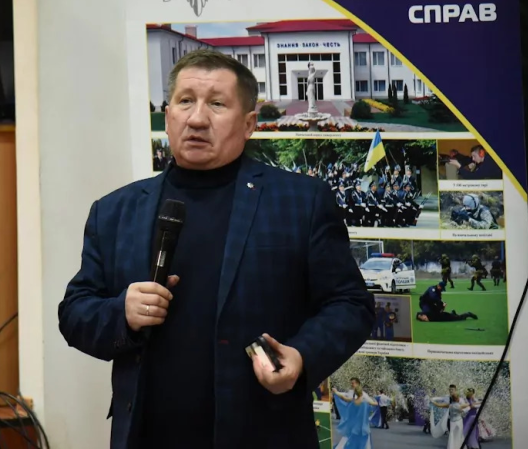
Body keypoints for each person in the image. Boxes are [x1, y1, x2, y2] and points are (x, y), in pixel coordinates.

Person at [57, 49, 375, 449]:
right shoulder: (115, 211)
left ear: (249, 124)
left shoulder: (301, 201)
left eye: (217, 104)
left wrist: (301, 356)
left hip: (264, 434)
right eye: (185, 101)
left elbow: (350, 304)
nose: (197, 118)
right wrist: (122, 312)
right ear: (168, 116)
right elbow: (75, 312)